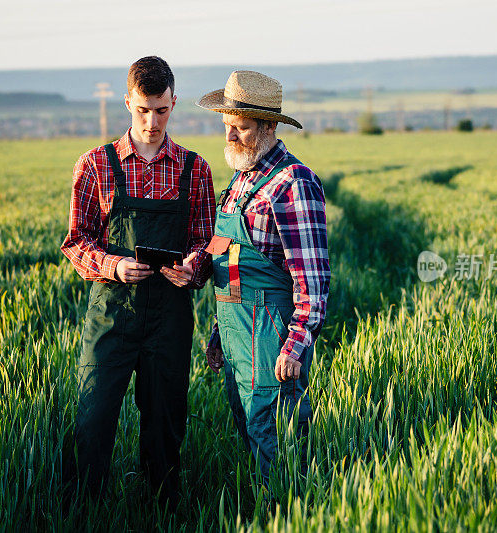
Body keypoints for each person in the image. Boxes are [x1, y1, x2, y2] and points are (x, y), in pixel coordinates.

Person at [60, 56, 215, 505]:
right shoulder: (94, 164)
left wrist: (194, 267)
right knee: (93, 418)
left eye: (162, 110)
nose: (151, 121)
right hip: (111, 315)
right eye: (143, 109)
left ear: (174, 104)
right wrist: (112, 266)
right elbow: (76, 241)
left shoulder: (195, 169)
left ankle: (163, 511)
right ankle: (82, 513)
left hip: (169, 318)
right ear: (127, 101)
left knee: (165, 424)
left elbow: (208, 240)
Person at [198, 71, 330, 482]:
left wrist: (293, 348)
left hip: (273, 337)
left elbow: (313, 281)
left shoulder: (294, 183)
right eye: (227, 128)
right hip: (238, 334)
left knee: (277, 441)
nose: (231, 138)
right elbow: (230, 257)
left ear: (270, 126)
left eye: (242, 128)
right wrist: (220, 334)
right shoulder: (242, 179)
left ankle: (295, 515)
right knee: (250, 430)